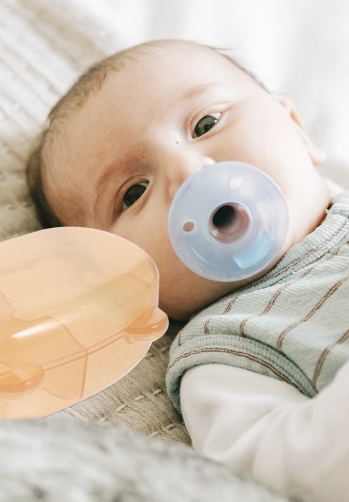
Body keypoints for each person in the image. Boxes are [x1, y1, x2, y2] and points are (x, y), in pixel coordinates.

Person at [26, 39, 349, 502]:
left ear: (297, 130)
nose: (187, 171)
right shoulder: (225, 354)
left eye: (206, 123)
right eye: (133, 192)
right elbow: (297, 473)